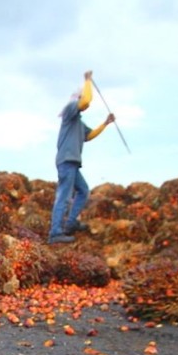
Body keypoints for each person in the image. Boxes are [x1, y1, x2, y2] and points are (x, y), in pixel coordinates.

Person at [48, 70, 115, 244]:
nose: (84, 105)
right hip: (66, 161)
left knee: (83, 190)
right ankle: (55, 233)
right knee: (64, 196)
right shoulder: (70, 110)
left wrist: (105, 123)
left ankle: (70, 224)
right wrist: (88, 81)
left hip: (73, 162)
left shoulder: (78, 122)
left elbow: (89, 135)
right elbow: (85, 101)